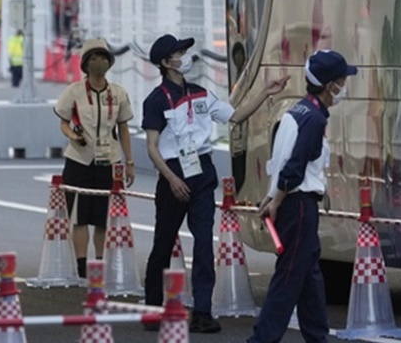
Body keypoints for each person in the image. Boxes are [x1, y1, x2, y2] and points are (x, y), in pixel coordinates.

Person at [141, 34, 288, 334]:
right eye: (179, 53)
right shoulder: (155, 100)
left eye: (184, 51)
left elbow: (236, 116)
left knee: (204, 243)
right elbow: (152, 148)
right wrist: (171, 178)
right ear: (166, 62)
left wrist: (265, 92)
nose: (185, 56)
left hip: (202, 172)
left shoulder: (201, 93)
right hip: (173, 173)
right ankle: (153, 309)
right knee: (163, 244)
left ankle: (202, 311)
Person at [247, 49, 356, 343]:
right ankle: (261, 339)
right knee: (289, 277)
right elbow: (295, 167)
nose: (344, 86)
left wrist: (271, 196)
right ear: (329, 85)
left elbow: (280, 160)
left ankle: (317, 337)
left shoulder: (297, 111)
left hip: (292, 203)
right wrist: (276, 201)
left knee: (310, 278)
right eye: (342, 80)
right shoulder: (315, 120)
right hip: (299, 205)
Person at [53, 38, 135, 279]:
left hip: (109, 160)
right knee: (78, 216)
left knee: (102, 218)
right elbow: (63, 123)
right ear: (85, 64)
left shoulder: (118, 93)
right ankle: (81, 266)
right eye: (94, 58)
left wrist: (129, 162)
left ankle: (100, 263)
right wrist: (73, 136)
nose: (99, 62)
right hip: (79, 160)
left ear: (109, 62)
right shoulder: (74, 91)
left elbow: (124, 128)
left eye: (103, 57)